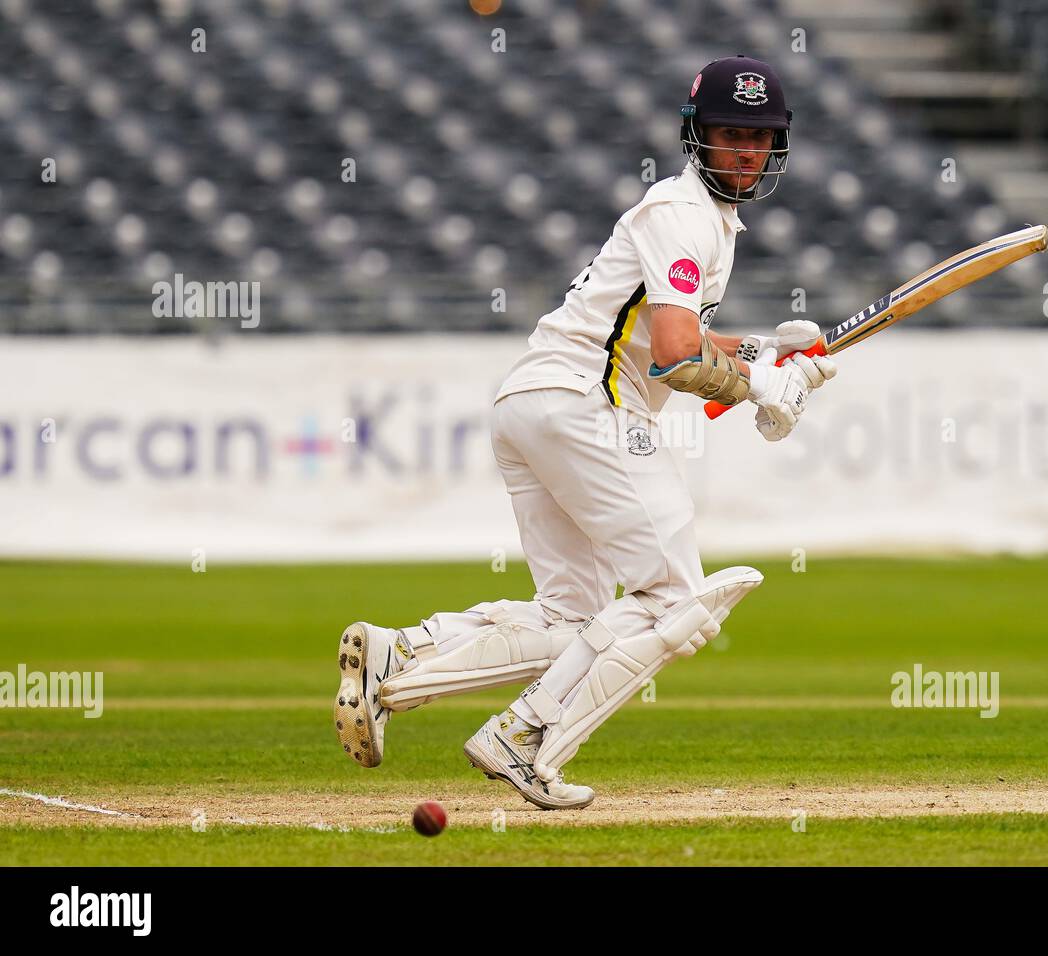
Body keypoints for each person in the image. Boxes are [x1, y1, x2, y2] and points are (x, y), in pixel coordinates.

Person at [333, 54, 837, 809]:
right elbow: (672, 357)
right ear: (695, 134)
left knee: (571, 617)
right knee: (675, 599)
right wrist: (762, 387)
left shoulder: (703, 224)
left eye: (760, 137)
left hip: (534, 399)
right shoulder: (681, 215)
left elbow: (661, 338)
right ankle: (526, 736)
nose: (745, 151)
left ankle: (401, 656)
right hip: (584, 408)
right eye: (730, 133)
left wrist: (768, 353)